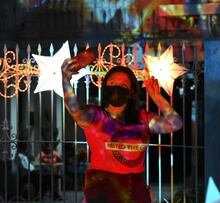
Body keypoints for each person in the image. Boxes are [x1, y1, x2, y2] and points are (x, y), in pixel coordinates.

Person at [61, 59, 183, 203]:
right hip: (102, 191)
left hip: (135, 192)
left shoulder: (143, 118)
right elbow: (75, 110)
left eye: (123, 85)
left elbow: (175, 124)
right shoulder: (95, 116)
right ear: (104, 86)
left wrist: (156, 97)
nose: (117, 88)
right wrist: (65, 81)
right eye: (112, 83)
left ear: (131, 92)